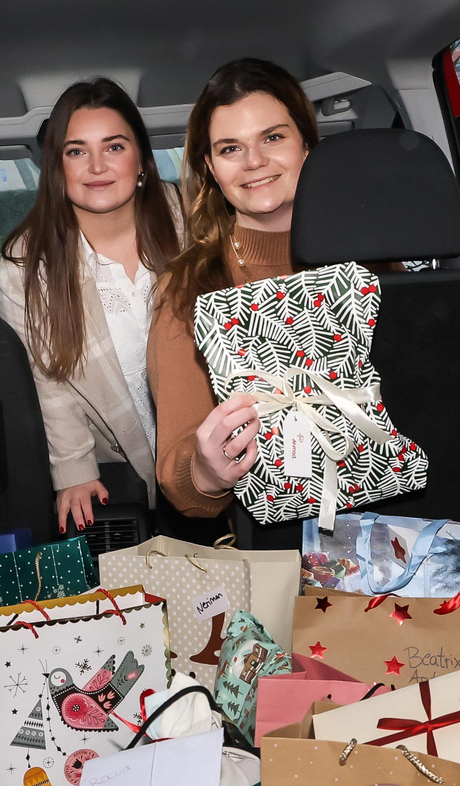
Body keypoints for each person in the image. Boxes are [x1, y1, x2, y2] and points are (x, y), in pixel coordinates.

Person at [0, 79, 183, 534]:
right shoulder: (23, 267)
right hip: (117, 464)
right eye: (76, 151)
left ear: (141, 158)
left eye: (114, 146)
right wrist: (74, 469)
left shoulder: (189, 216)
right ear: (56, 166)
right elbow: (48, 380)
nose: (96, 166)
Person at [150, 58, 320, 523]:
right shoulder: (187, 287)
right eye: (230, 148)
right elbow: (177, 474)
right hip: (268, 541)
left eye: (273, 137)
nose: (254, 162)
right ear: (210, 166)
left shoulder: (377, 260)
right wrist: (205, 472)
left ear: (306, 143)